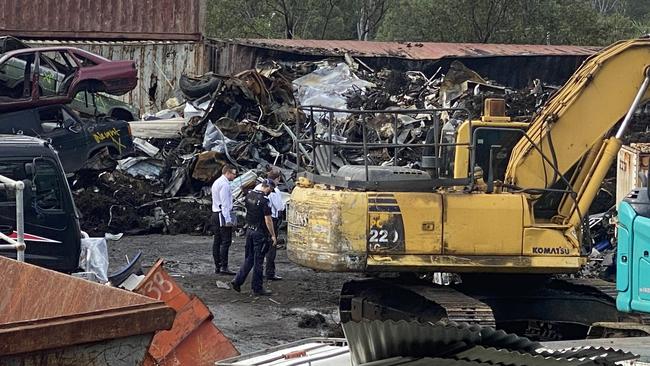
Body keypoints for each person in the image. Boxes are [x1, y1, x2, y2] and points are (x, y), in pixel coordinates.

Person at [231, 180, 277, 296]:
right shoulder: (264, 200)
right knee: (258, 261)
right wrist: (272, 235)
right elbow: (268, 219)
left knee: (249, 258)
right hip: (259, 233)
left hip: (250, 231)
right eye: (270, 190)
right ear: (268, 188)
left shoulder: (249, 195)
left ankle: (237, 280)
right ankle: (257, 288)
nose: (270, 193)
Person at [211, 164, 237, 275]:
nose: (235, 176)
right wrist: (228, 219)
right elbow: (225, 204)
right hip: (222, 214)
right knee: (225, 241)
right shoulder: (225, 185)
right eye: (234, 174)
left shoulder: (217, 182)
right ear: (228, 173)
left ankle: (218, 266)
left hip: (215, 213)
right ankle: (224, 266)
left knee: (217, 241)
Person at [264, 169, 285, 281]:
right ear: (277, 179)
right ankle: (270, 272)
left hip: (263, 219)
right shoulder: (274, 191)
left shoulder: (261, 187)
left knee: (264, 246)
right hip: (272, 219)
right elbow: (279, 207)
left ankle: (264, 270)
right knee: (272, 245)